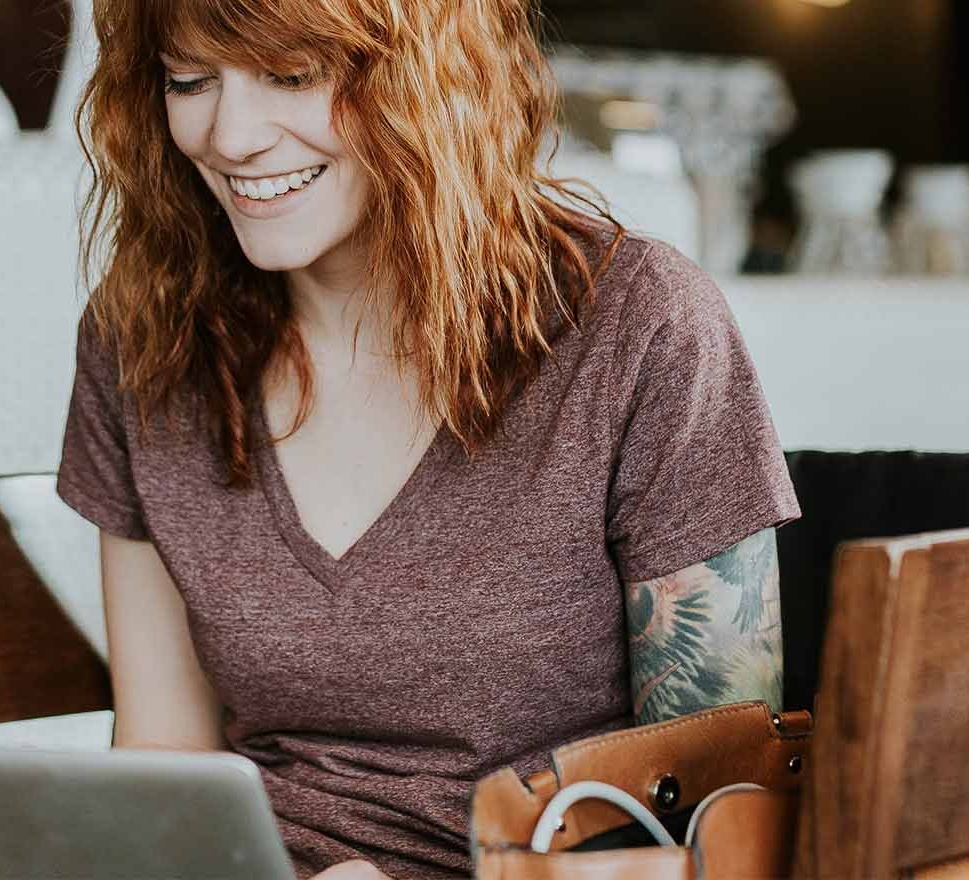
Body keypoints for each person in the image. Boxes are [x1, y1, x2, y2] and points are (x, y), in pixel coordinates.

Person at [53, 0, 801, 877]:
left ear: (429, 74)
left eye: (293, 76)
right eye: (190, 80)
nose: (231, 136)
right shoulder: (145, 338)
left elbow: (727, 815)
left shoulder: (640, 325)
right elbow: (162, 765)